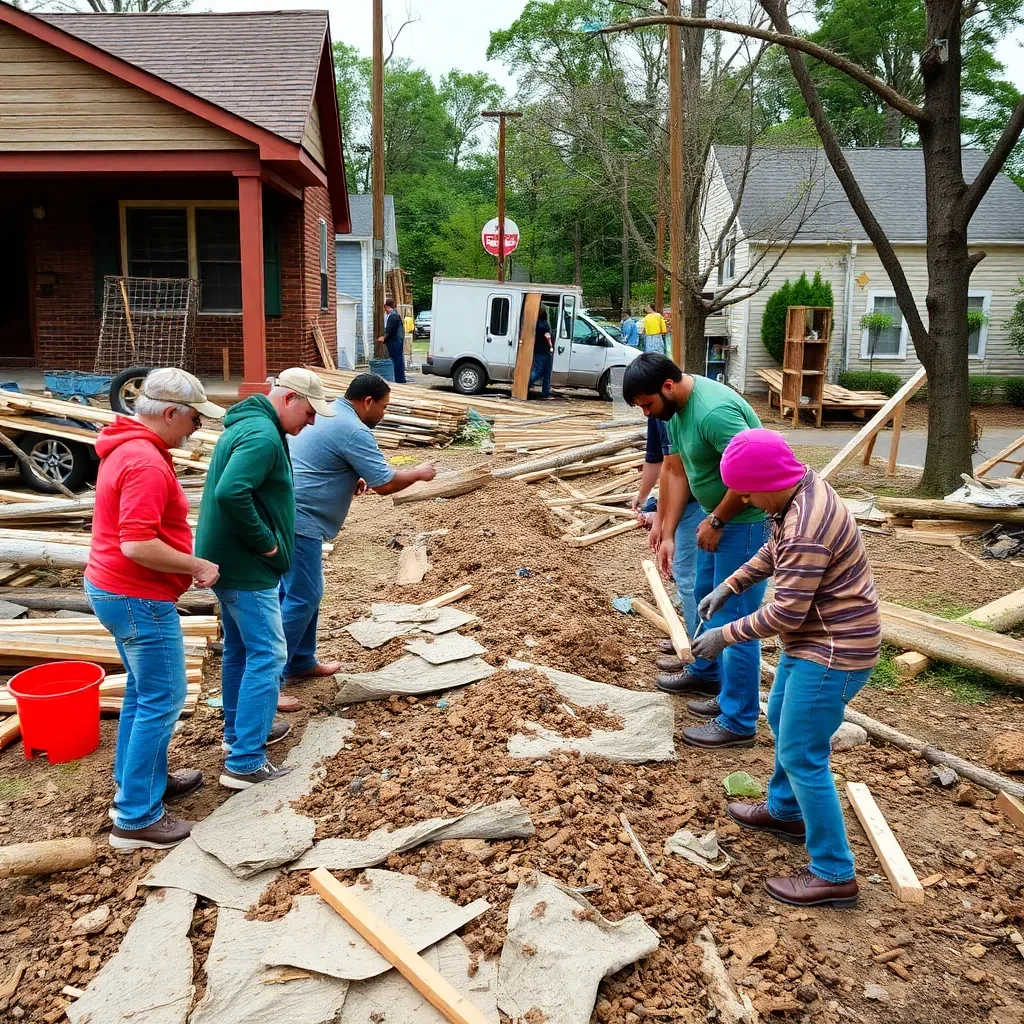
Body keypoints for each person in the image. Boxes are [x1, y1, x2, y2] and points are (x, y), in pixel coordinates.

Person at [691, 428, 881, 908]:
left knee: (802, 753)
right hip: (816, 639)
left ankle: (834, 872)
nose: (745, 500)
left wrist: (722, 636)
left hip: (835, 650)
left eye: (749, 491)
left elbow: (784, 615)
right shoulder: (796, 492)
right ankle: (785, 811)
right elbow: (770, 554)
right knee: (780, 720)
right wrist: (731, 585)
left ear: (771, 480)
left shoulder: (807, 526)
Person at [86, 368, 224, 850]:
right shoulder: (144, 462)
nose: (196, 429)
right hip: (136, 595)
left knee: (143, 695)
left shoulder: (125, 446)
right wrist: (196, 564)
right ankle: (136, 817)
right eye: (193, 420)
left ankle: (141, 784)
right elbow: (138, 544)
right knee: (162, 699)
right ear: (170, 413)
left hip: (116, 590)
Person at [195, 368, 334, 790]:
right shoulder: (261, 435)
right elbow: (231, 492)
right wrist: (269, 544)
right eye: (309, 413)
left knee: (240, 649)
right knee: (269, 655)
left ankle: (239, 733)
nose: (310, 423)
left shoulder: (253, 425)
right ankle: (245, 761)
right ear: (289, 398)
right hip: (246, 566)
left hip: (229, 562)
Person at [622, 353, 768, 750]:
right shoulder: (677, 410)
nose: (648, 414)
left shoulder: (713, 412)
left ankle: (738, 721)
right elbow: (676, 469)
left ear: (667, 386)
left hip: (745, 524)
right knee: (706, 599)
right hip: (714, 520)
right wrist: (667, 531)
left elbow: (755, 474)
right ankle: (707, 672)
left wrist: (718, 520)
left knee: (736, 622)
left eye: (648, 405)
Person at [281, 373, 437, 685]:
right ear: (367, 402)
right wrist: (418, 473)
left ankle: (300, 662)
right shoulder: (353, 429)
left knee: (299, 593)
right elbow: (386, 484)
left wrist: (351, 474)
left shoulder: (330, 415)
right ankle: (271, 680)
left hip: (288, 512)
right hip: (301, 519)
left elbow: (327, 459)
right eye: (384, 407)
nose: (384, 413)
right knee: (303, 597)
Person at [632, 415, 704, 653]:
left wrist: (665, 527)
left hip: (699, 501)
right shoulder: (657, 412)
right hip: (686, 499)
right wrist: (650, 508)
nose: (645, 411)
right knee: (687, 575)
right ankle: (694, 640)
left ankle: (699, 653)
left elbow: (676, 472)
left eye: (646, 404)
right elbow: (662, 463)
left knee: (689, 576)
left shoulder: (682, 413)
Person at [378, 298, 407, 384]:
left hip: (395, 342)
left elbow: (390, 331)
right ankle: (400, 378)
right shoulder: (395, 315)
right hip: (397, 341)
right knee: (398, 360)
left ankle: (399, 379)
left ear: (386, 306)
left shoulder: (393, 316)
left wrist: (384, 338)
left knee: (396, 361)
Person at [529, 311, 554, 400]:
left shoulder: (537, 324)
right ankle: (544, 392)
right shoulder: (545, 325)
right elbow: (548, 337)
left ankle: (527, 384)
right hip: (545, 351)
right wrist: (551, 347)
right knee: (546, 372)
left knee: (539, 371)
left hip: (540, 350)